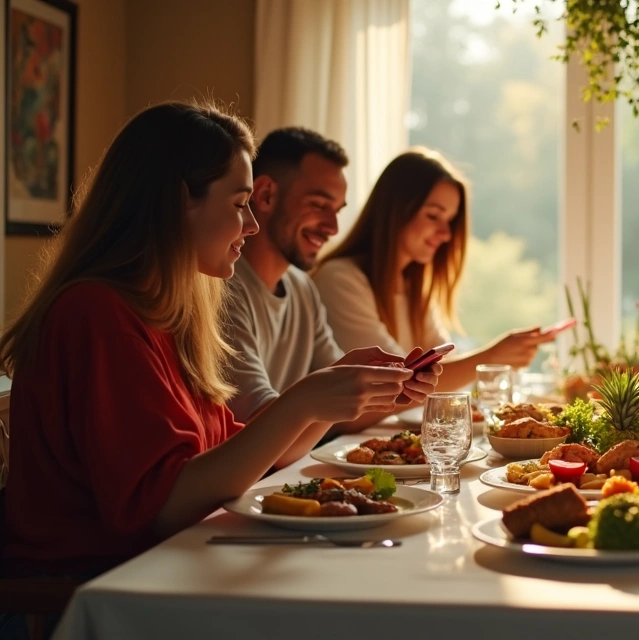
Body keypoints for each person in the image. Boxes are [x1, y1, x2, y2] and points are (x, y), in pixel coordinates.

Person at [0, 103, 437, 579]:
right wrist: (304, 399)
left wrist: (329, 394)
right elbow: (161, 507)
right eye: (237, 204)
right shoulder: (98, 316)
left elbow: (244, 459)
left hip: (161, 566)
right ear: (175, 202)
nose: (251, 224)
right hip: (88, 593)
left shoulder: (164, 316)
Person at [223, 128, 434, 431]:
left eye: (337, 211)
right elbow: (260, 426)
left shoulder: (302, 289)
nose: (333, 228)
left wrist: (396, 393)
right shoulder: (224, 289)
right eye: (319, 206)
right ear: (266, 194)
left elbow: (336, 411)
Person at [312, 147, 558, 391]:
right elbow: (397, 381)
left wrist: (499, 357)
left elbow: (443, 368)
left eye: (450, 221)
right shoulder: (340, 280)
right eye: (433, 216)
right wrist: (491, 357)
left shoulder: (414, 290)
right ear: (395, 210)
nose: (446, 234)